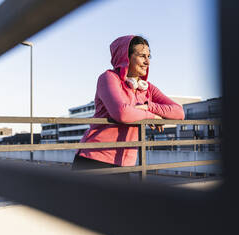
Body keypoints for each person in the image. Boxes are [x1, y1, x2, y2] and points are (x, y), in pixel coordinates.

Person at [72, 35, 184, 170]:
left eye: (149, 56)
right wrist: (152, 116)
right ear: (126, 57)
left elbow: (179, 112)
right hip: (93, 160)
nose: (147, 62)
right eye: (142, 56)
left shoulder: (147, 88)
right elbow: (122, 113)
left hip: (125, 165)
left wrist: (148, 107)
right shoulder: (108, 78)